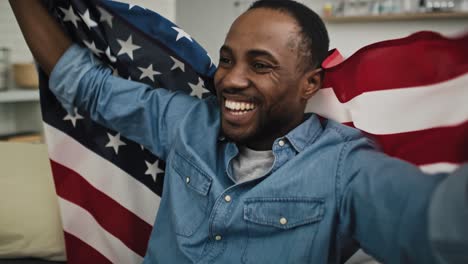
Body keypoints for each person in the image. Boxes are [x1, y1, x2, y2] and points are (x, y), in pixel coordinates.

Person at [9, 0, 468, 263]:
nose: (230, 79)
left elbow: (433, 225)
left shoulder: (343, 169)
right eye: (227, 59)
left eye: (261, 65)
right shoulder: (186, 121)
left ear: (310, 83)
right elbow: (85, 85)